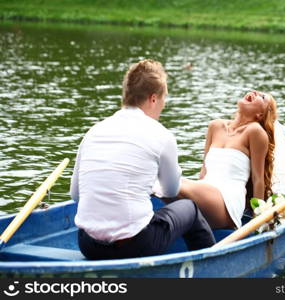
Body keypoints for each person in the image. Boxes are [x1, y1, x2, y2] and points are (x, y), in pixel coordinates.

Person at [70, 59, 215, 260]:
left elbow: (76, 195)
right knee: (189, 208)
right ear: (153, 99)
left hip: (88, 245)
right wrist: (152, 186)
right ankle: (213, 266)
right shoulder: (161, 135)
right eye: (164, 100)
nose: (163, 107)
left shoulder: (93, 132)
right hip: (134, 245)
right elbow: (172, 190)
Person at [178, 91, 277, 229]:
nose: (255, 92)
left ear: (260, 114)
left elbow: (258, 179)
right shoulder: (215, 126)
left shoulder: (255, 132)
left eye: (262, 97)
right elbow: (203, 171)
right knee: (161, 185)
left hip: (227, 202)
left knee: (170, 183)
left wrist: (257, 220)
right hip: (203, 193)